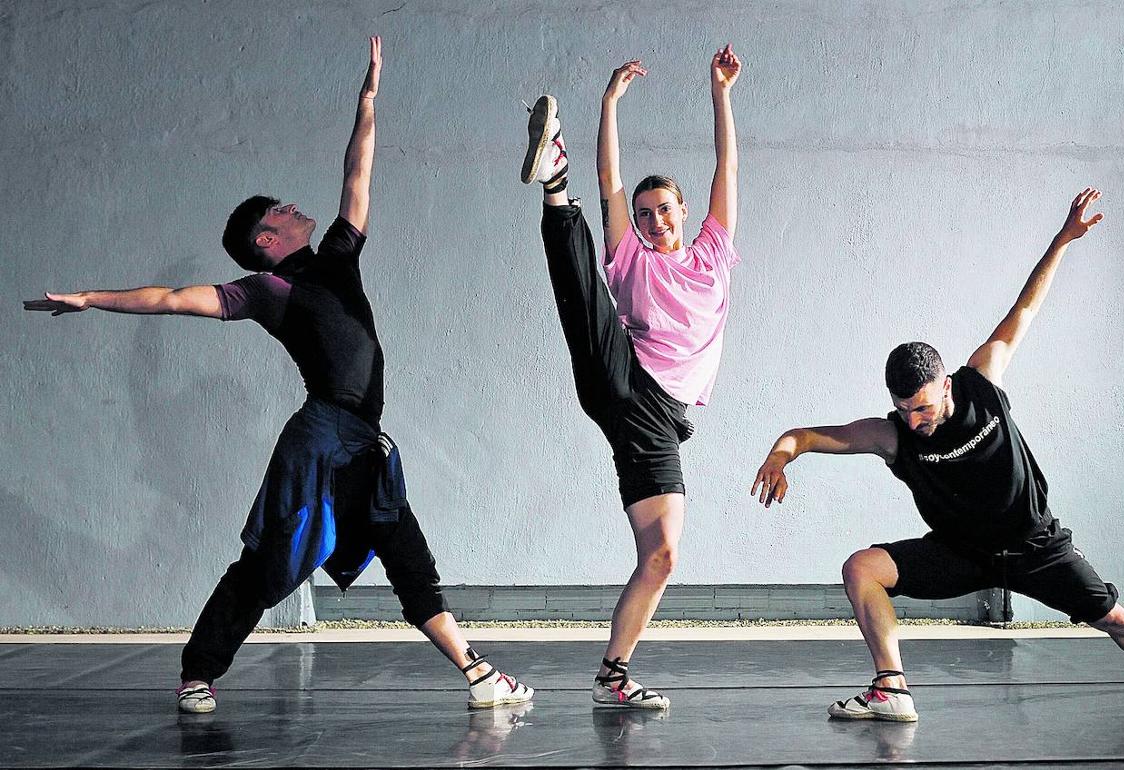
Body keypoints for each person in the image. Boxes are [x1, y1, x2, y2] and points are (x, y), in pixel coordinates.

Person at [24, 36, 532, 715]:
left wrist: (369, 100)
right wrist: (89, 298)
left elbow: (358, 175)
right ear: (268, 240)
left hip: (363, 444)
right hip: (320, 443)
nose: (297, 210)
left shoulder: (338, 258)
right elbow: (173, 300)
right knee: (269, 567)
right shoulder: (267, 290)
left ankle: (477, 675)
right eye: (283, 212)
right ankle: (197, 673)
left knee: (409, 556)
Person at [751, 189, 1124, 722]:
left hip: (1035, 547)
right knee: (861, 567)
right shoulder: (893, 436)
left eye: (924, 407)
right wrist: (780, 455)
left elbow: (1025, 306)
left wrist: (1062, 240)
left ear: (948, 386)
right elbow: (810, 435)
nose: (915, 420)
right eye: (903, 408)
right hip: (961, 553)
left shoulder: (983, 381)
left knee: (1112, 618)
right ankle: (891, 689)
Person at [520, 45, 742, 708]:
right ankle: (557, 185)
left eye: (664, 210)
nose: (654, 221)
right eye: (644, 215)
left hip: (660, 423)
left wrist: (720, 91)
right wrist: (609, 104)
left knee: (662, 558)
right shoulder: (632, 259)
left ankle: (613, 674)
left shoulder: (713, 256)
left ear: (682, 211)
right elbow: (612, 179)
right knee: (588, 293)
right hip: (624, 374)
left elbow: (727, 166)